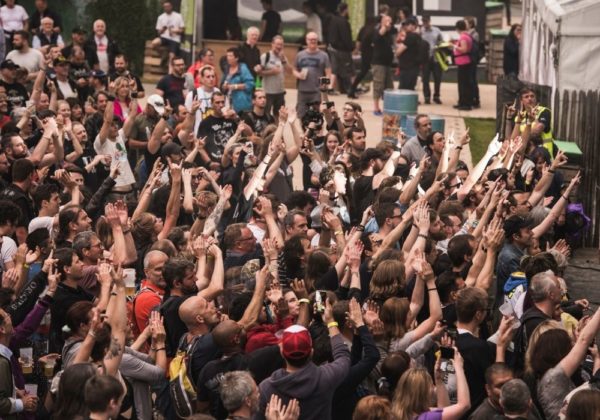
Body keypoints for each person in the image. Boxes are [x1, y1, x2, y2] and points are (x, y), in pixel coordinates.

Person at [255, 305, 351, 420]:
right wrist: (331, 322)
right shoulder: (326, 377)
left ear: (282, 352)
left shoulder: (266, 388)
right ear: (311, 352)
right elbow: (343, 356)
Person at [293, 31, 331, 117]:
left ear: (317, 41)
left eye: (314, 39)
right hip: (302, 91)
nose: (312, 41)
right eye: (310, 39)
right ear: (306, 41)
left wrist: (326, 86)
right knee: (301, 115)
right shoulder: (300, 55)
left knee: (317, 115)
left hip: (317, 91)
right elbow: (294, 69)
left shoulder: (324, 55)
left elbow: (328, 71)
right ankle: (303, 130)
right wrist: (298, 75)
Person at [257, 35, 290, 120]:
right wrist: (271, 72)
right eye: (277, 44)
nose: (279, 47)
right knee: (265, 114)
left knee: (279, 115)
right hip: (267, 92)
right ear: (272, 44)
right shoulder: (265, 56)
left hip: (280, 92)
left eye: (281, 45)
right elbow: (259, 73)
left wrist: (283, 60)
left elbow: (289, 72)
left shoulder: (283, 57)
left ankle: (277, 132)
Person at [327, 3, 354, 95]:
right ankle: (353, 87)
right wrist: (351, 47)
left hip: (332, 47)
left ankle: (330, 87)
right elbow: (346, 37)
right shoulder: (344, 22)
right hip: (343, 49)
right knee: (349, 69)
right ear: (345, 10)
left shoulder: (333, 20)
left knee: (334, 68)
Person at [371, 14, 395, 116]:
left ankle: (387, 107)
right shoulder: (378, 31)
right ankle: (376, 108)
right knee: (378, 85)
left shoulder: (389, 33)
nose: (390, 23)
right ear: (382, 22)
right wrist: (384, 26)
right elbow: (377, 37)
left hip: (387, 63)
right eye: (387, 20)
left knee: (389, 86)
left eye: (390, 20)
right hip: (378, 63)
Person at [220, 47, 254, 114]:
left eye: (230, 56)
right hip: (228, 104)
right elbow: (222, 85)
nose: (228, 58)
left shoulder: (243, 68)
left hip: (241, 104)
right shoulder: (226, 68)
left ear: (236, 58)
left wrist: (235, 86)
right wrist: (223, 86)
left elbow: (250, 84)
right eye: (227, 56)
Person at [151, 1, 184, 67]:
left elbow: (182, 30)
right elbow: (158, 33)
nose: (166, 8)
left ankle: (170, 72)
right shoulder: (161, 17)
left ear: (171, 7)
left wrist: (174, 31)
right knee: (154, 43)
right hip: (164, 37)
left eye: (168, 6)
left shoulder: (178, 16)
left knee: (172, 56)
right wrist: (162, 30)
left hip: (175, 39)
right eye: (165, 7)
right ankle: (163, 54)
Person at [420, 15, 443, 104]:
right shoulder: (421, 31)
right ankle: (427, 96)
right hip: (425, 58)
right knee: (425, 78)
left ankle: (436, 96)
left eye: (426, 21)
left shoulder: (437, 30)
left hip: (436, 57)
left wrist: (439, 46)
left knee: (437, 78)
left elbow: (441, 41)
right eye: (423, 22)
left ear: (430, 21)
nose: (425, 23)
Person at [396, 17, 421, 91]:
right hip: (414, 66)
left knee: (403, 88)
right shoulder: (417, 36)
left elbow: (399, 51)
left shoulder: (411, 36)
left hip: (407, 67)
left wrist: (397, 52)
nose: (406, 27)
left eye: (411, 25)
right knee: (410, 88)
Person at [453, 20, 473, 110]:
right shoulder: (466, 36)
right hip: (462, 62)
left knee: (464, 84)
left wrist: (454, 46)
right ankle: (461, 102)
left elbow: (464, 49)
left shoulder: (463, 37)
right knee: (462, 84)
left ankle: (466, 104)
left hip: (463, 62)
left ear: (457, 28)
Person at [465, 16, 481, 108]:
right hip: (468, 59)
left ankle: (475, 99)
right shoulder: (467, 33)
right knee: (469, 80)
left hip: (472, 60)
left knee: (472, 80)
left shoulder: (474, 34)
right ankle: (470, 98)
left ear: (470, 24)